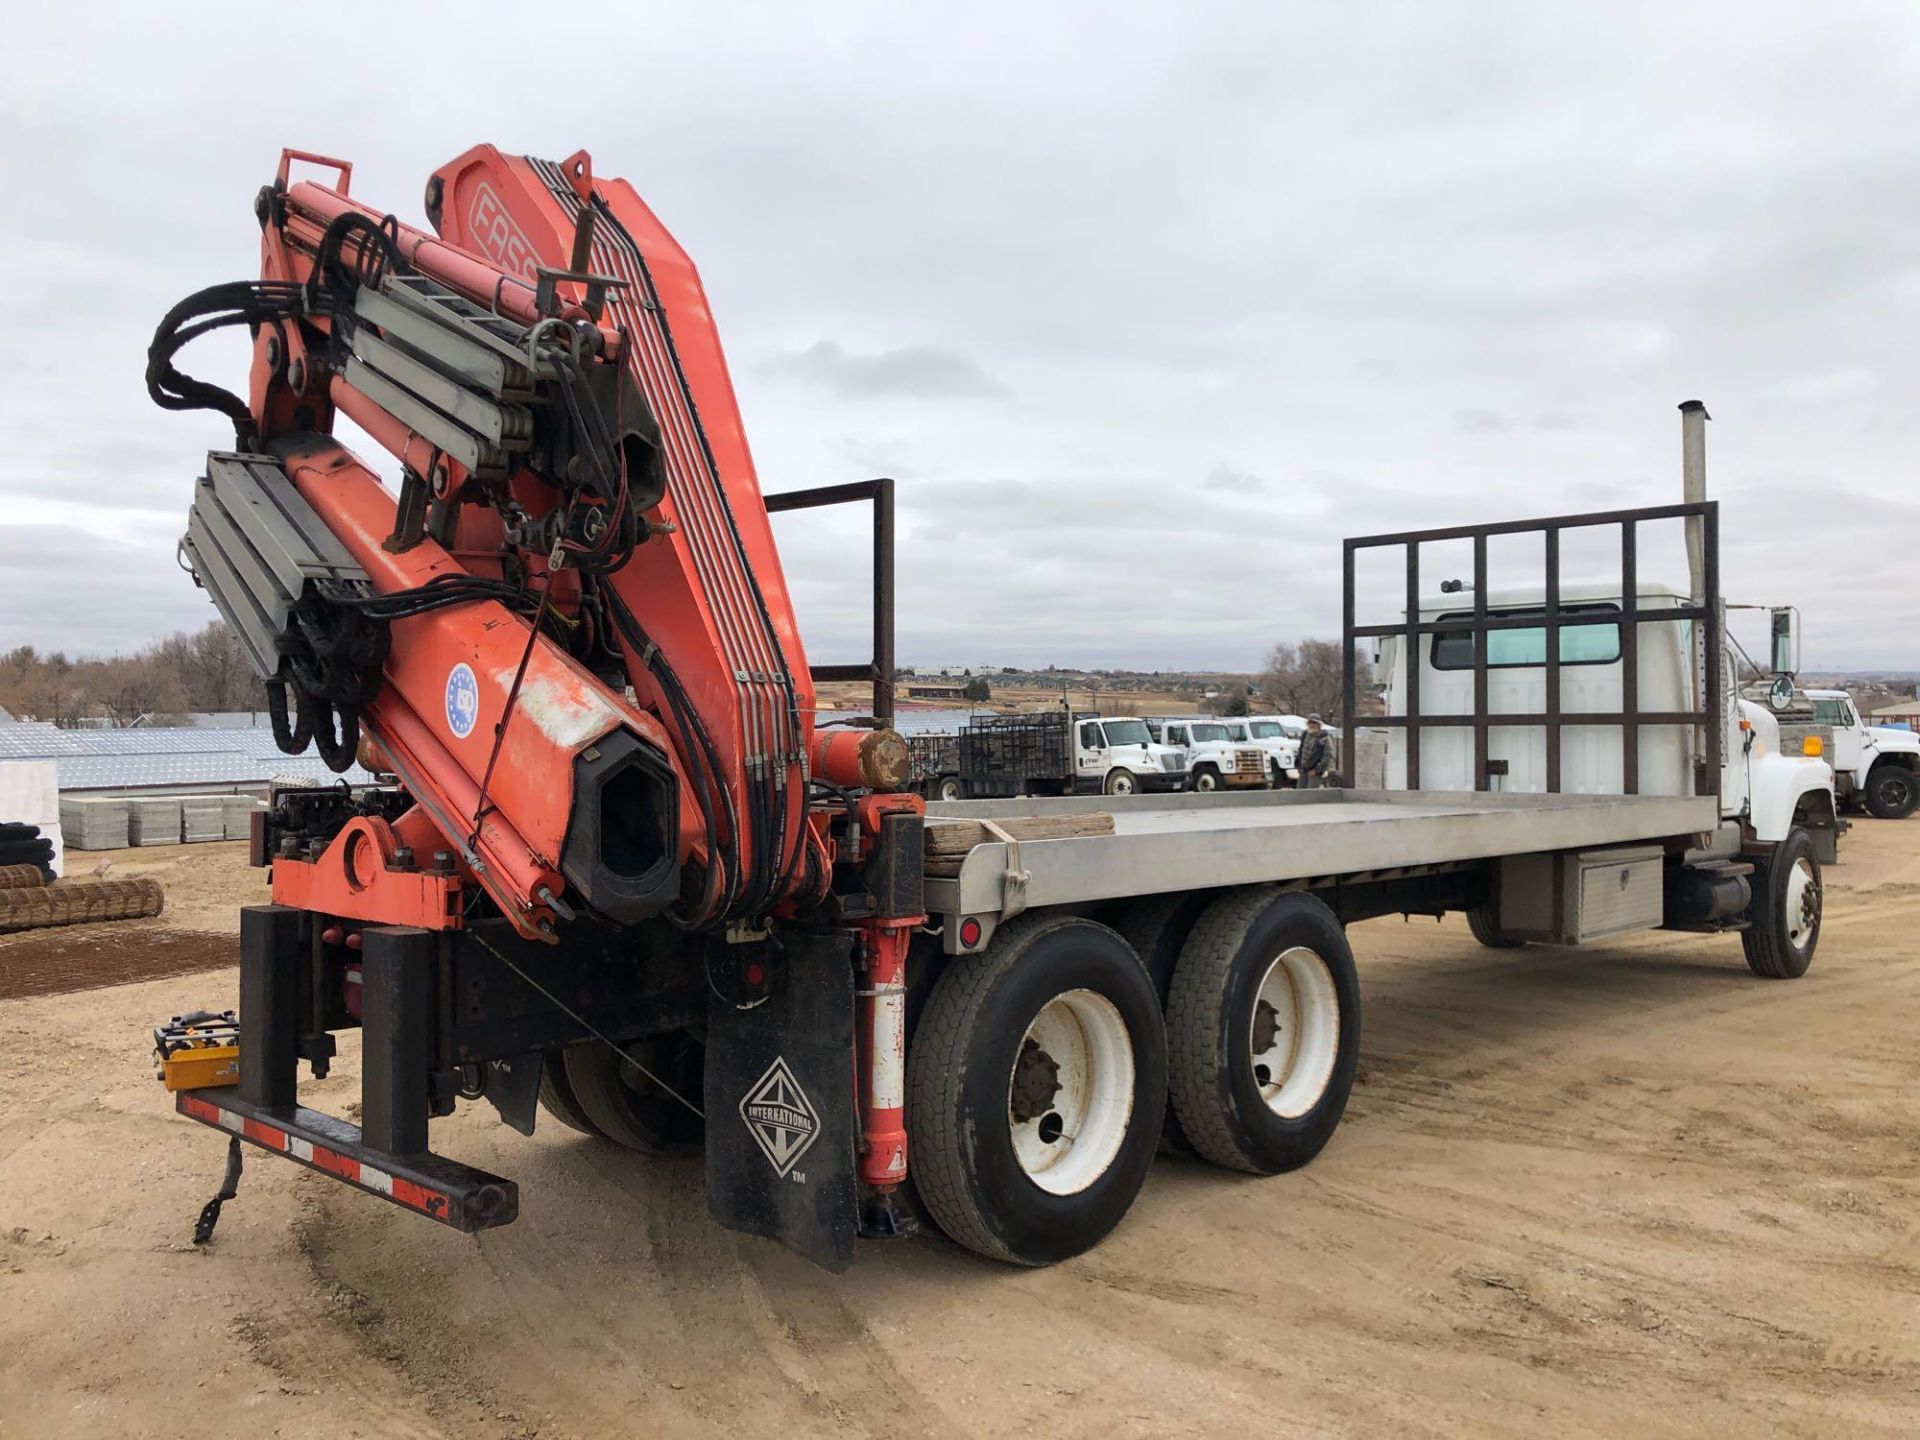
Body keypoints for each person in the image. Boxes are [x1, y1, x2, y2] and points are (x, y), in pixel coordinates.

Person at [1296, 714, 1333, 789]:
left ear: (1319, 724)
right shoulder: (1305, 734)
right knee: (1299, 793)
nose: (1312, 725)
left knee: (1311, 794)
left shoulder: (1324, 738)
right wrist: (1298, 765)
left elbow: (1327, 756)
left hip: (1315, 771)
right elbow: (1300, 751)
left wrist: (1316, 770)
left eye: (1314, 723)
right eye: (1310, 722)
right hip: (1303, 770)